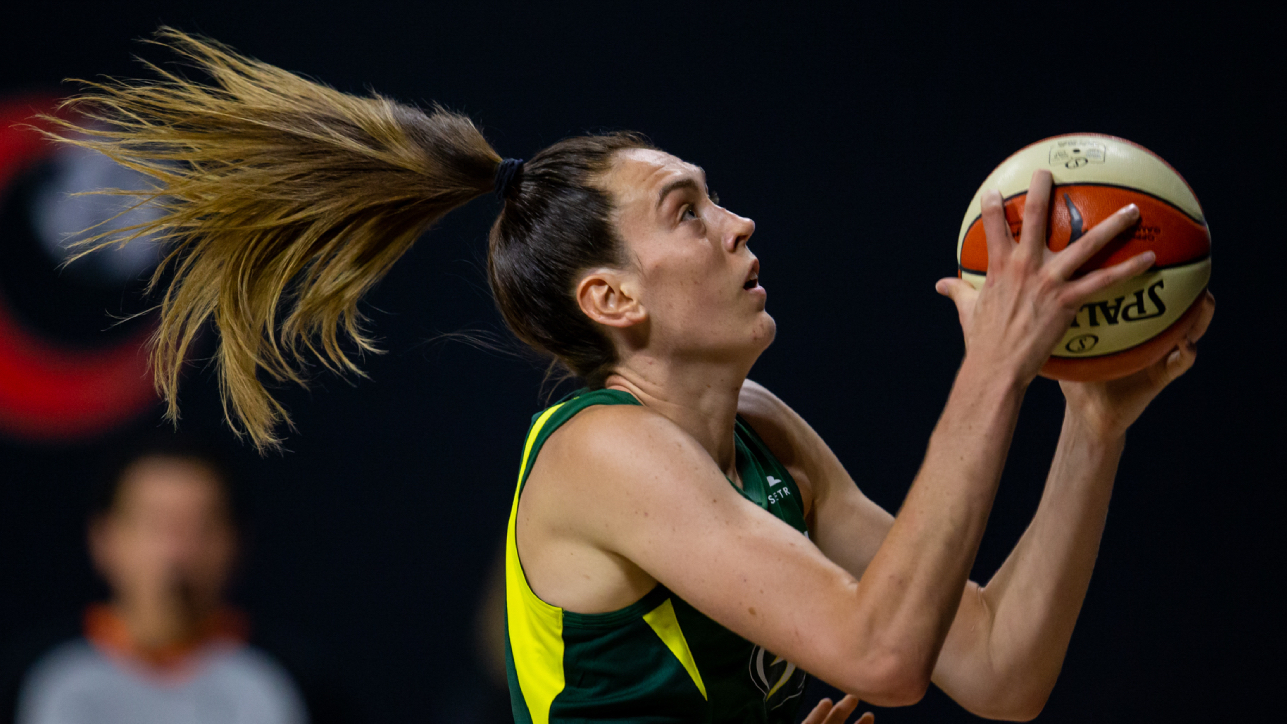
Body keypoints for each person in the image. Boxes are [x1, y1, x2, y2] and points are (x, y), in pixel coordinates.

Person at [42, 29, 1214, 724]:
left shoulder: (761, 430)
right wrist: (995, 364)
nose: (740, 225)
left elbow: (996, 670)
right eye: (689, 211)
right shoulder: (600, 450)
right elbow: (883, 656)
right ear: (612, 300)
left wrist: (1089, 420)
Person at [5, 436, 322, 724]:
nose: (177, 553)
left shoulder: (292, 679)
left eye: (200, 527)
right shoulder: (36, 676)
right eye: (156, 525)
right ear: (104, 539)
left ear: (235, 542)